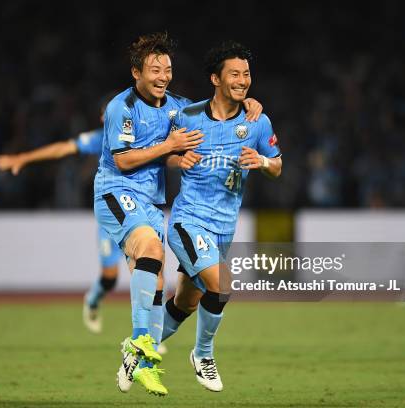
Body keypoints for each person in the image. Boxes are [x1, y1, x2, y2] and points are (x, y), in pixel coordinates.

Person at [94, 32, 264, 396]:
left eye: (168, 69)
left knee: (173, 294)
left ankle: (136, 355)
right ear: (136, 72)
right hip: (116, 192)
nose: (163, 76)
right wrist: (170, 146)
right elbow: (123, 161)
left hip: (152, 205)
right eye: (155, 70)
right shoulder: (121, 108)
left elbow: (212, 109)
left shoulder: (177, 107)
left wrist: (247, 101)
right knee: (153, 253)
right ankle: (144, 345)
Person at [162, 41, 282, 392]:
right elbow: (164, 154)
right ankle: (203, 355)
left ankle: (141, 345)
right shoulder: (188, 117)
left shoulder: (257, 120)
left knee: (186, 301)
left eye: (246, 74)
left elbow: (277, 165)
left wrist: (261, 162)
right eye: (234, 74)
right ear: (216, 78)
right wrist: (175, 159)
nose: (243, 80)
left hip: (223, 228)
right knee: (223, 284)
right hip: (188, 220)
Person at [0, 96, 126, 335]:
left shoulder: (143, 136)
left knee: (148, 268)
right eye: (106, 114)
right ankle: (93, 299)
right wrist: (23, 158)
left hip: (141, 213)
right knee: (111, 277)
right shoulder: (100, 139)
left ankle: (151, 334)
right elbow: (62, 148)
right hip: (111, 215)